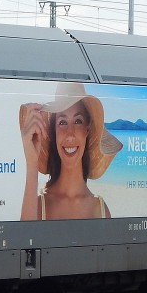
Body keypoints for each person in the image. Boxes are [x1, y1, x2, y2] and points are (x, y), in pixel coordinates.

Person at [20, 83, 121, 220]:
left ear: (87, 129)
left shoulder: (101, 210)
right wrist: (32, 162)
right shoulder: (39, 206)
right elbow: (25, 240)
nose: (70, 135)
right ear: (54, 132)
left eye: (78, 121)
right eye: (62, 122)